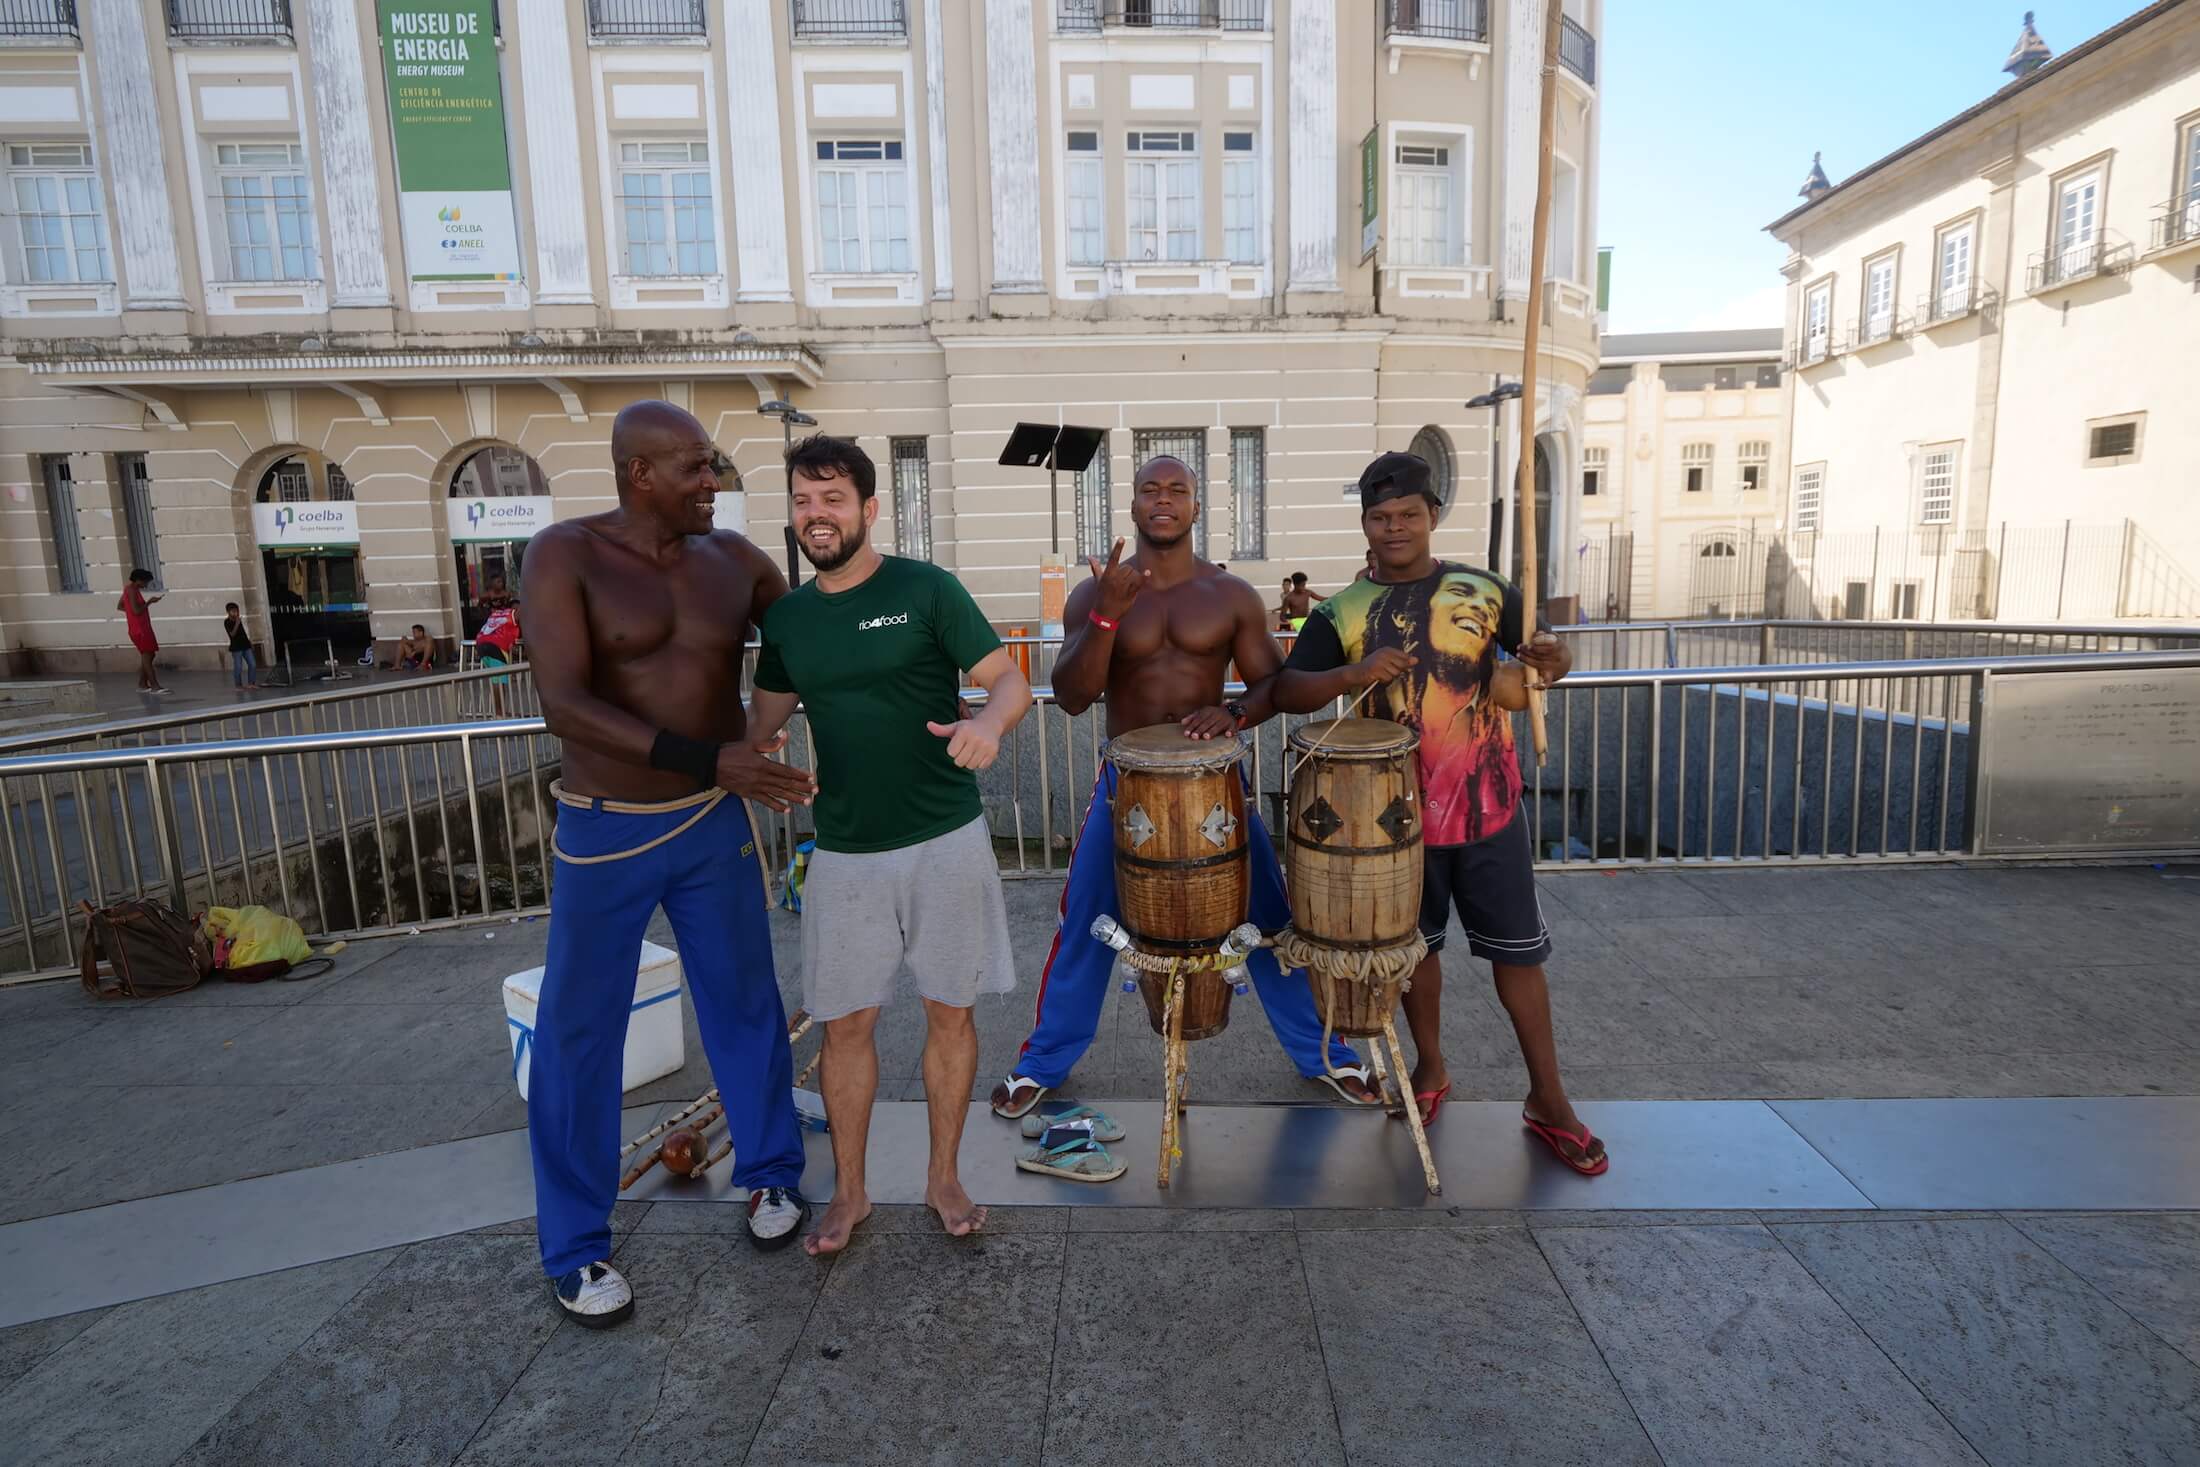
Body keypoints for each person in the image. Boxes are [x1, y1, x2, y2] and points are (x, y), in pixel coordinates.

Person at [521, 400, 821, 1329]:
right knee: (580, 1034)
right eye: (693, 468)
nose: (712, 482)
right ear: (637, 473)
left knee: (743, 1001)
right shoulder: (563, 554)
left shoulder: (735, 562)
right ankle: (574, 1245)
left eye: (714, 465)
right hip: (606, 828)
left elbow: (822, 630)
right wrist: (714, 757)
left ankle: (773, 1174)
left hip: (708, 821)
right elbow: (563, 703)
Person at [989, 455, 1380, 1152]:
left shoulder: (1229, 594)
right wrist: (1107, 615)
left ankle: (1327, 1053)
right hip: (1128, 788)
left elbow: (1272, 684)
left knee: (1271, 920)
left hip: (1216, 787)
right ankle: (1042, 1062)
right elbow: (1074, 697)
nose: (1163, 499)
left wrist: (1232, 714)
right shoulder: (1094, 594)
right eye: (1150, 489)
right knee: (1085, 919)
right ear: (1133, 504)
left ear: (1197, 506)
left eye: (1177, 489)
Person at [1272, 451, 1607, 1176]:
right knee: (1414, 955)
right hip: (1392, 826)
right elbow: (1291, 688)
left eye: (1409, 515)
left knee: (1520, 958)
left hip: (1490, 809)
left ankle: (1550, 1099)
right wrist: (1353, 672)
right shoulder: (1343, 612)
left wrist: (1556, 655)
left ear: (1432, 516)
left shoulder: (1484, 590)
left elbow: (1547, 662)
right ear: (1364, 522)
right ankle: (1429, 1068)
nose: (1395, 527)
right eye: (1381, 516)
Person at [746, 434, 1032, 1255]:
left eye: (832, 499)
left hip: (944, 837)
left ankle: (944, 1176)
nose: (816, 515)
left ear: (869, 509)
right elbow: (760, 727)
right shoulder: (791, 619)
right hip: (843, 851)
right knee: (845, 1026)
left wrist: (988, 723)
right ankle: (852, 1192)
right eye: (803, 500)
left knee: (951, 1013)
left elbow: (1005, 677)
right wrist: (741, 762)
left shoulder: (925, 589)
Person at [120, 569, 166, 694]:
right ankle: (154, 686)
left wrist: (131, 614)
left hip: (140, 627)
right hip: (140, 629)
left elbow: (121, 606)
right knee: (147, 655)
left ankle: (142, 684)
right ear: (139, 580)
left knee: (150, 654)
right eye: (145, 582)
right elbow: (136, 611)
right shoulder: (132, 590)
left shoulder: (128, 589)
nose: (146, 585)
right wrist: (149, 602)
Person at [475, 597, 522, 717]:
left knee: (496, 679)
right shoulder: (513, 614)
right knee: (499, 681)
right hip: (496, 646)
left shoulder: (496, 614)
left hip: (481, 644)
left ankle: (499, 711)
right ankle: (499, 713)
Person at [223, 603, 259, 690]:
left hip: (245, 645)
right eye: (233, 611)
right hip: (236, 648)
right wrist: (237, 624)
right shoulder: (227, 622)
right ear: (228, 612)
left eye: (237, 611)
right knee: (238, 667)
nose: (236, 613)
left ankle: (251, 683)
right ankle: (238, 685)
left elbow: (243, 633)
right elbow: (232, 634)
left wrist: (249, 643)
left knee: (252, 664)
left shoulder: (238, 620)